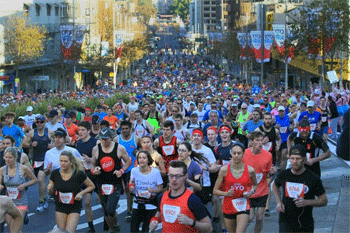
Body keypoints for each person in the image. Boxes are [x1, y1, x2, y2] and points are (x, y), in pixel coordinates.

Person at [272, 144, 328, 232]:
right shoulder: (283, 175)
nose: (294, 161)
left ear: (304, 159)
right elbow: (275, 186)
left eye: (298, 159)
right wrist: (279, 202)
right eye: (292, 158)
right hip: (286, 220)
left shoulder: (313, 178)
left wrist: (306, 202)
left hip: (305, 222)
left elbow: (324, 200)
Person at [149, 160, 213, 233]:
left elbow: (209, 228)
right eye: (171, 176)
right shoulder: (162, 197)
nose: (174, 180)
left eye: (178, 176)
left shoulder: (192, 200)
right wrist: (154, 220)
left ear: (185, 176)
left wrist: (191, 222)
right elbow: (159, 213)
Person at [90, 127, 131, 233]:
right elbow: (92, 164)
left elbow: (128, 161)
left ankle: (116, 225)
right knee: (105, 211)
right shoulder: (96, 149)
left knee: (111, 210)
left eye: (106, 139)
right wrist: (94, 170)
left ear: (111, 137)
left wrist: (121, 171)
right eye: (102, 139)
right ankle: (112, 229)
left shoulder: (119, 148)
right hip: (101, 183)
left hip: (114, 183)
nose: (104, 141)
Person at [213, 142, 258, 233]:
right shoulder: (224, 170)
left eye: (239, 153)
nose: (236, 156)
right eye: (234, 153)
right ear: (231, 153)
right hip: (228, 204)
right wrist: (226, 193)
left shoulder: (250, 170)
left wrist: (251, 192)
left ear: (243, 154)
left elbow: (255, 184)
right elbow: (215, 190)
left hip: (243, 204)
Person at [47, 150, 95, 233]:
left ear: (71, 162)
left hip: (74, 207)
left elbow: (91, 186)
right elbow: (51, 192)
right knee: (62, 231)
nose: (63, 163)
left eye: (66, 161)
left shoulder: (78, 173)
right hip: (60, 206)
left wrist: (81, 193)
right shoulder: (55, 173)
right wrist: (50, 188)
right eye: (61, 161)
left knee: (69, 232)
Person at [242, 131, 277, 233]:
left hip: (262, 191)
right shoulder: (244, 154)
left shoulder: (268, 155)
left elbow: (267, 175)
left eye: (261, 140)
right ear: (251, 141)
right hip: (249, 192)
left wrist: (271, 173)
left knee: (259, 218)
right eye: (257, 140)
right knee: (250, 218)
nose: (260, 143)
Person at [22, 114, 54, 212]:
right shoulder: (32, 133)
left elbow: (62, 140)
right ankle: (45, 197)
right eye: (37, 122)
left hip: (47, 160)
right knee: (41, 181)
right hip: (36, 160)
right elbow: (24, 144)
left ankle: (41, 201)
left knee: (40, 179)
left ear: (45, 122)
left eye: (41, 122)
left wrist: (53, 145)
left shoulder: (49, 132)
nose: (39, 124)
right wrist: (31, 144)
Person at [0, 147, 38, 226]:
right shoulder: (2, 170)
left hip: (21, 202)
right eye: (6, 157)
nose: (7, 159)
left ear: (15, 157)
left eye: (10, 157)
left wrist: (24, 185)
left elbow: (35, 180)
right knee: (11, 227)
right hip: (9, 203)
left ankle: (25, 212)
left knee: (15, 228)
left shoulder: (23, 168)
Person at [129, 150, 163, 233]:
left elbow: (160, 188)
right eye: (139, 158)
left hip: (150, 205)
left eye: (144, 158)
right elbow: (131, 181)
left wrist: (153, 190)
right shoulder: (134, 171)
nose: (141, 160)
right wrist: (131, 187)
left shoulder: (155, 172)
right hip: (137, 204)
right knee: (133, 230)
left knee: (145, 230)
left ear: (148, 160)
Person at [114, 120, 140, 220]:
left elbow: (142, 151)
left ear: (130, 129)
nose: (124, 130)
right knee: (121, 190)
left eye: (126, 129)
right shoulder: (117, 139)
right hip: (120, 168)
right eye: (123, 129)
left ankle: (129, 211)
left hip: (132, 168)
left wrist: (137, 152)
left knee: (130, 190)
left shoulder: (136, 138)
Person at [76, 121, 98, 232]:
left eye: (83, 130)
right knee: (87, 202)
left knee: (103, 202)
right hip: (84, 175)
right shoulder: (78, 144)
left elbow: (101, 158)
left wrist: (90, 160)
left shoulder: (95, 142)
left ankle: (111, 221)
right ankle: (91, 227)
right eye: (79, 130)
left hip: (96, 174)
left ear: (89, 131)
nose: (80, 132)